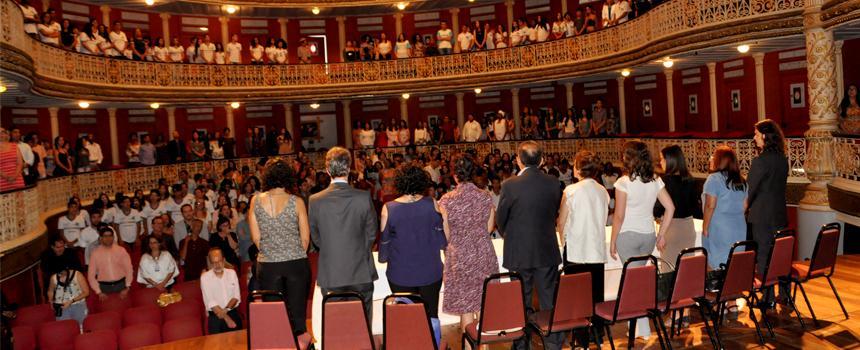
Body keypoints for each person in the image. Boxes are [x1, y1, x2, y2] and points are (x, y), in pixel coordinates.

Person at [496, 141, 564, 350]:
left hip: (519, 249)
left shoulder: (510, 184)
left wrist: (510, 234)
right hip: (546, 247)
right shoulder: (553, 182)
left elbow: (501, 219)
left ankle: (522, 343)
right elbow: (554, 213)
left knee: (521, 300)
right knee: (548, 298)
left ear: (518, 159)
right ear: (542, 160)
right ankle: (554, 342)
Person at [309, 147, 378, 321]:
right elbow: (371, 233)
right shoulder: (363, 197)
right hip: (360, 271)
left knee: (336, 329)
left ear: (326, 170)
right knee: (362, 327)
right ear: (349, 169)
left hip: (332, 273)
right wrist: (357, 252)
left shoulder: (315, 200)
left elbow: (316, 238)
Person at [379, 165, 446, 332]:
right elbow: (441, 241)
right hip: (430, 271)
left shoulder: (389, 208)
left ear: (399, 182)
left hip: (401, 273)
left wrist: (382, 258)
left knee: (406, 320)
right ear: (421, 181)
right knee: (431, 317)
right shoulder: (432, 204)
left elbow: (384, 242)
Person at [249, 158, 310, 336]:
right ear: (288, 177)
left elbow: (256, 237)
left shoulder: (255, 201)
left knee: (276, 318)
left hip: (268, 264)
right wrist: (292, 252)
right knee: (298, 317)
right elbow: (305, 239)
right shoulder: (296, 201)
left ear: (266, 176)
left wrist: (272, 251)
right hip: (295, 263)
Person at [438, 157, 498, 337]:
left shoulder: (446, 200)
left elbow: (446, 234)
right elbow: (489, 228)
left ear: (455, 175)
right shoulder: (485, 196)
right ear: (473, 174)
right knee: (483, 303)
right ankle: (484, 346)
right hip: (482, 253)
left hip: (459, 256)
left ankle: (468, 345)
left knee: (466, 308)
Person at [556, 151, 609, 336]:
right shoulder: (602, 190)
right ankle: (597, 334)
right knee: (596, 295)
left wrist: (563, 241)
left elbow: (561, 222)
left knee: (577, 296)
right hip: (596, 248)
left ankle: (580, 337)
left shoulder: (570, 191)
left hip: (576, 249)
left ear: (578, 169)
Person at [610, 141, 674, 264]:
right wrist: (661, 234)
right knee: (640, 276)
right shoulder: (655, 179)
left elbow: (619, 216)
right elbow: (670, 207)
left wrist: (613, 241)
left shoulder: (624, 182)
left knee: (634, 278)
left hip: (628, 235)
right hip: (648, 235)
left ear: (628, 158)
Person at [747, 119, 789, 305]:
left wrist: (743, 207)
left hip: (762, 215)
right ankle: (785, 294)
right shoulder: (782, 160)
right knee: (780, 253)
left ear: (764, 136)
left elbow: (750, 189)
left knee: (764, 254)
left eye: (756, 134)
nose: (754, 138)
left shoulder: (760, 161)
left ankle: (768, 296)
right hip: (779, 212)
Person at [702, 146, 747, 270]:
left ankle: (717, 288)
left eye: (713, 157)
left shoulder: (714, 179)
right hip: (739, 227)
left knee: (715, 263)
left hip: (719, 228)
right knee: (734, 264)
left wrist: (705, 227)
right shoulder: (741, 180)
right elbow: (744, 206)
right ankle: (732, 287)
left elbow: (710, 205)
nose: (711, 159)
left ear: (719, 161)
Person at [655, 145, 700, 268]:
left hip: (670, 228)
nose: (660, 162)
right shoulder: (691, 180)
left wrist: (661, 232)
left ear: (670, 161)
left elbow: (657, 209)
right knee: (686, 270)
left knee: (669, 270)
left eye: (662, 159)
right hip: (688, 228)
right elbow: (695, 209)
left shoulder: (664, 181)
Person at [200, 248, 242, 334]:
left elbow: (236, 296)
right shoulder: (205, 278)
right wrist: (227, 319)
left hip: (232, 312)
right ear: (210, 263)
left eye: (219, 261)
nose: (217, 265)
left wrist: (225, 311)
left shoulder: (232, 273)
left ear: (223, 260)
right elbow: (211, 302)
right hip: (215, 318)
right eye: (214, 262)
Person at [88, 226, 134, 299]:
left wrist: (127, 286)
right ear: (101, 238)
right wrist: (98, 292)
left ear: (113, 237)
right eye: (105, 236)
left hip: (122, 285)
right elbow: (91, 275)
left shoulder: (121, 250)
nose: (108, 238)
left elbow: (129, 269)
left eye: (110, 236)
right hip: (104, 288)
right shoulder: (95, 254)